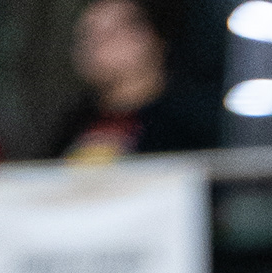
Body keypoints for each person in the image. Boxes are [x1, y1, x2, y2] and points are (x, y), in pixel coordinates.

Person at [55, 0, 218, 160]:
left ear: (150, 37)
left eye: (109, 33)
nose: (93, 46)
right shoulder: (74, 124)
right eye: (86, 36)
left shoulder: (187, 125)